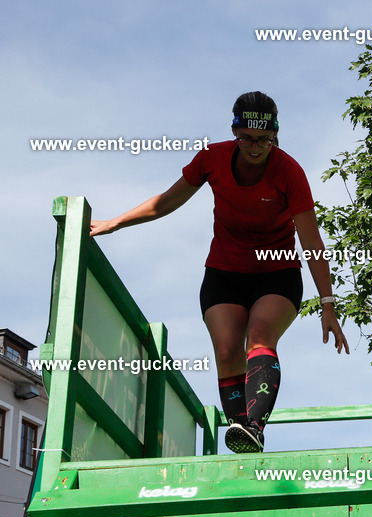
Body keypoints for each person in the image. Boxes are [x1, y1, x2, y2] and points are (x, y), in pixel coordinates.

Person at [90, 91, 348, 454]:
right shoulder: (212, 158)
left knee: (259, 336)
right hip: (224, 273)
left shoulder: (289, 172)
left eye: (264, 140)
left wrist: (328, 303)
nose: (255, 147)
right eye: (247, 139)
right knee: (227, 351)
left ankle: (254, 428)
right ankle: (241, 434)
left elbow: (312, 241)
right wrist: (114, 222)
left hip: (277, 273)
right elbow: (166, 201)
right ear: (235, 132)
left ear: (275, 135)